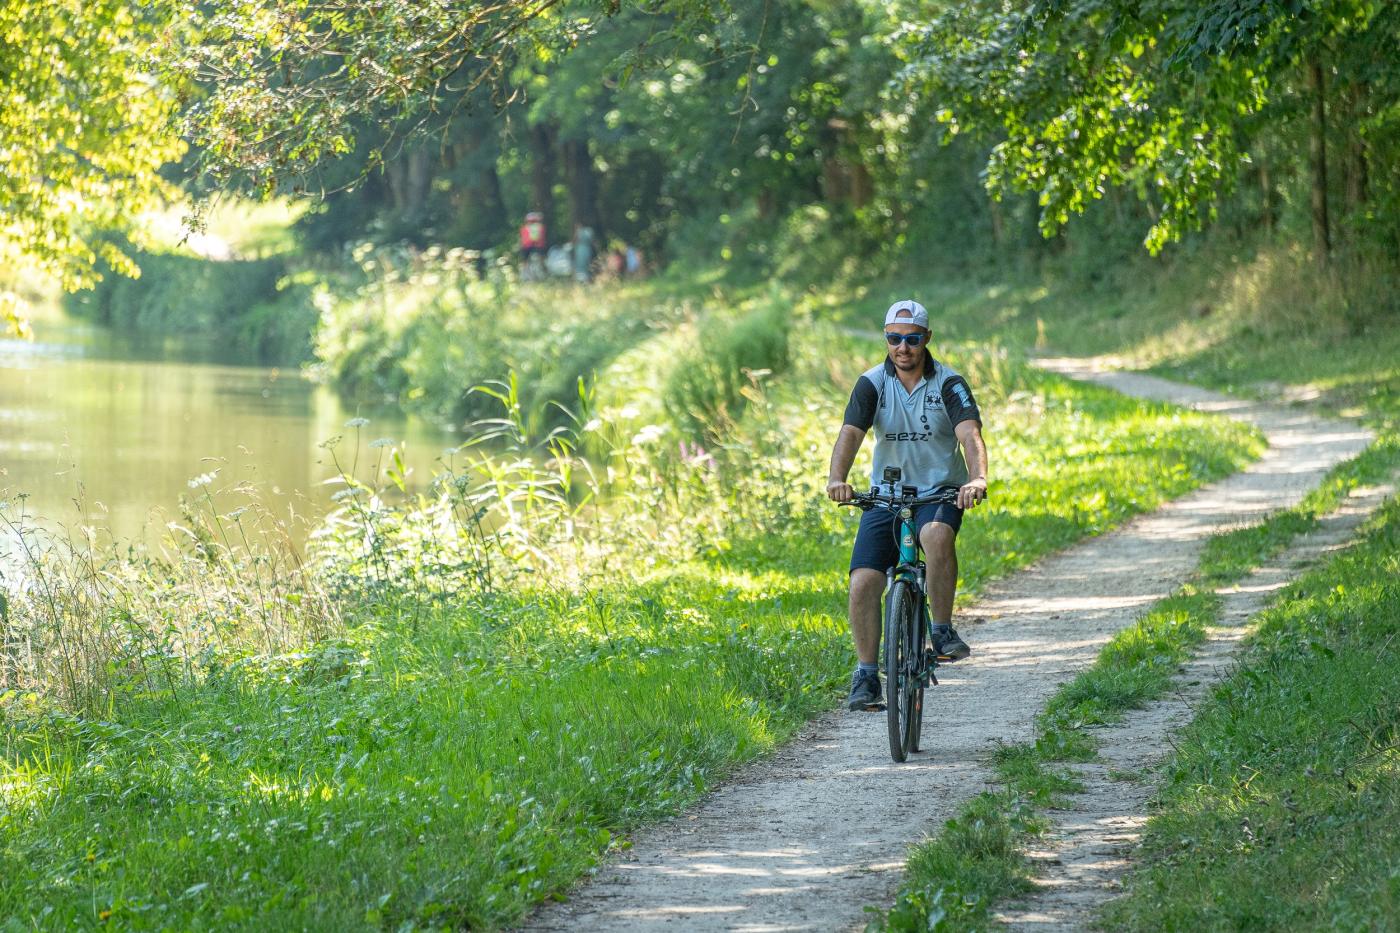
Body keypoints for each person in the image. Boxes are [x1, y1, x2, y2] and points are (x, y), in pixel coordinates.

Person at [826, 299, 989, 711]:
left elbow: (970, 435)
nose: (903, 347)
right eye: (894, 339)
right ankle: (866, 675)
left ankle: (941, 630)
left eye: (912, 339)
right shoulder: (872, 383)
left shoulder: (949, 384)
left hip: (939, 494)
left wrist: (976, 478)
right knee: (863, 581)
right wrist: (837, 479)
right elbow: (850, 434)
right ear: (886, 339)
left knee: (936, 534)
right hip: (885, 496)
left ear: (926, 339)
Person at [519, 212, 547, 279]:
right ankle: (540, 274)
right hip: (536, 247)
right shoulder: (540, 227)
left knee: (526, 262)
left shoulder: (524, 228)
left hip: (528, 247)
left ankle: (526, 276)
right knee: (539, 260)